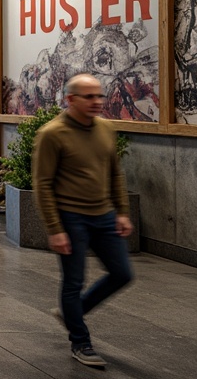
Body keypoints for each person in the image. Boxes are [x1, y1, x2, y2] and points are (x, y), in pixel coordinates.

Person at [34, 73, 134, 369]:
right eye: (89, 97)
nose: (97, 102)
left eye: (99, 96)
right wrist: (55, 229)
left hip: (103, 214)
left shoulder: (105, 128)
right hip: (71, 217)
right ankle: (80, 340)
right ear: (70, 99)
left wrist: (122, 211)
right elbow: (43, 184)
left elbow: (114, 172)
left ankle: (71, 313)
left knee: (122, 274)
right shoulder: (52, 134)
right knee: (73, 282)